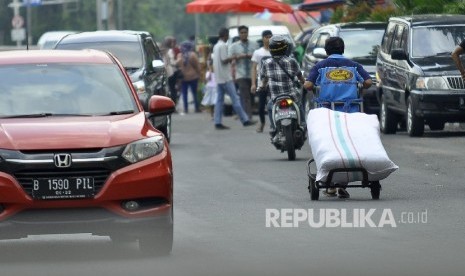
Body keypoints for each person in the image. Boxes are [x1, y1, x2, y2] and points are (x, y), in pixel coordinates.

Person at [303, 36, 372, 199]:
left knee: (329, 148)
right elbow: (368, 81)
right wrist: (359, 87)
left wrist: (315, 87)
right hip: (351, 115)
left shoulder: (320, 66)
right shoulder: (354, 66)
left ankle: (331, 185)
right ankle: (342, 185)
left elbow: (307, 85)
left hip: (327, 116)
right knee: (350, 149)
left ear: (326, 51)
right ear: (343, 49)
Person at [259, 35, 305, 133]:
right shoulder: (291, 61)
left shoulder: (266, 63)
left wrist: (262, 86)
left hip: (276, 97)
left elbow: (264, 79)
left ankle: (273, 127)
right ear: (286, 49)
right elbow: (300, 77)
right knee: (299, 104)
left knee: (270, 107)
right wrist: (304, 83)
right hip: (291, 96)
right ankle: (302, 124)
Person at [212, 27, 256, 130]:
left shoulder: (216, 46)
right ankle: (245, 119)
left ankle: (217, 121)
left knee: (219, 101)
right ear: (225, 35)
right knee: (235, 99)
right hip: (226, 78)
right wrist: (236, 57)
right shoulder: (223, 46)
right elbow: (224, 60)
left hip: (219, 77)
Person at [229, 25, 257, 120]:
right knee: (245, 96)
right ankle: (247, 116)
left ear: (248, 33)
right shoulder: (234, 46)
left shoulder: (255, 45)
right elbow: (229, 59)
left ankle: (248, 113)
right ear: (239, 34)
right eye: (242, 33)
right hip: (240, 74)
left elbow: (258, 57)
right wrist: (237, 57)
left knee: (252, 96)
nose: (244, 34)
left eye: (245, 32)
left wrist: (250, 55)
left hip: (252, 74)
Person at [251, 30, 273, 133]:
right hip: (262, 82)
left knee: (275, 104)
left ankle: (275, 124)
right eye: (266, 37)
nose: (268, 39)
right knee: (261, 106)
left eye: (270, 37)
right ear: (263, 38)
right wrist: (253, 84)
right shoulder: (258, 52)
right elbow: (254, 68)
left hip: (274, 81)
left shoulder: (275, 51)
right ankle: (262, 123)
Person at [176, 40, 201, 114]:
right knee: (194, 93)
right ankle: (196, 108)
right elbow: (197, 66)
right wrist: (199, 74)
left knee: (184, 93)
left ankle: (186, 109)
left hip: (183, 77)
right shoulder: (193, 55)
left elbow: (177, 64)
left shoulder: (180, 55)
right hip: (193, 76)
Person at [163, 36, 180, 106]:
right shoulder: (170, 51)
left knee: (168, 88)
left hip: (164, 72)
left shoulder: (162, 50)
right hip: (171, 72)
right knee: (172, 88)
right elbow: (172, 62)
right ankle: (173, 103)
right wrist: (178, 60)